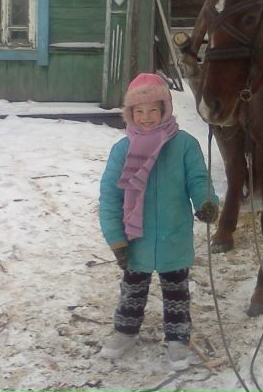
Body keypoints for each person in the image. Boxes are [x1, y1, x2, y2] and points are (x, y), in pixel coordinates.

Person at [98, 73, 219, 370]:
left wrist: (207, 203)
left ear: (165, 109)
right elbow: (109, 198)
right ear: (130, 113)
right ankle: (126, 331)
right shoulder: (122, 150)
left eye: (153, 110)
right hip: (134, 236)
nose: (147, 117)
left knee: (176, 291)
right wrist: (116, 239)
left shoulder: (184, 145)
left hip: (173, 235)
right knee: (132, 289)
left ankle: (177, 338)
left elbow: (198, 180)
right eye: (138, 111)